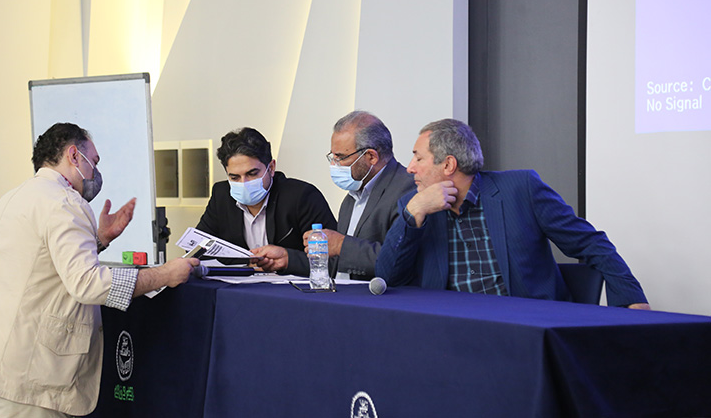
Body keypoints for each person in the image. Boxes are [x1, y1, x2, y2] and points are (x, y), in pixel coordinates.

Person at [0, 123, 199, 417]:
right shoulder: (66, 202)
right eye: (94, 162)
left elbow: (43, 266)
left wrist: (99, 239)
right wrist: (164, 274)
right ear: (74, 155)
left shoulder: (12, 198)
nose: (95, 172)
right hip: (24, 378)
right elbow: (88, 284)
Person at [376, 119, 650, 308]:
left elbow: (591, 243)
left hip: (525, 326)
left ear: (448, 165)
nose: (410, 168)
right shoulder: (415, 205)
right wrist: (413, 214)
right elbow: (388, 277)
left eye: (418, 158)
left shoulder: (521, 189)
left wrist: (631, 297)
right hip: (452, 330)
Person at [196, 127, 336, 276]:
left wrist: (287, 260)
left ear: (271, 168)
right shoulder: (221, 195)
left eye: (252, 174)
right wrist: (245, 264)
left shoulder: (301, 196)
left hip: (292, 286)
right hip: (239, 285)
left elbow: (333, 260)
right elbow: (198, 250)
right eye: (234, 177)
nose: (244, 183)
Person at [300, 111, 415, 280]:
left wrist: (340, 245)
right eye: (333, 156)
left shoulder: (408, 189)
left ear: (371, 157)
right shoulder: (352, 196)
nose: (334, 164)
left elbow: (398, 260)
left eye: (340, 157)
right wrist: (287, 259)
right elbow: (340, 265)